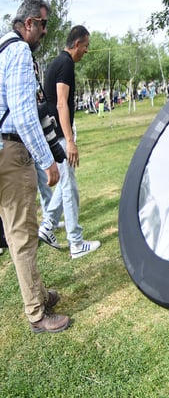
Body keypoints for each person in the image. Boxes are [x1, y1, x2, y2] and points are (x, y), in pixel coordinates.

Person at [0, 0, 70, 333]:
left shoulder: (3, 47)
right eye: (42, 24)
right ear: (29, 23)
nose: (45, 31)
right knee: (22, 236)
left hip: (6, 150)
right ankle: (37, 314)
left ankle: (40, 293)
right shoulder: (17, 52)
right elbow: (25, 115)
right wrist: (47, 160)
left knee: (20, 230)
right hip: (10, 154)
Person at [37, 25, 101, 259]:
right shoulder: (65, 64)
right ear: (77, 43)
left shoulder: (57, 62)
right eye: (85, 46)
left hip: (55, 134)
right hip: (60, 136)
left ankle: (48, 224)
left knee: (66, 183)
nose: (86, 51)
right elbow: (62, 104)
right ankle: (76, 242)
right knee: (69, 187)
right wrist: (70, 141)